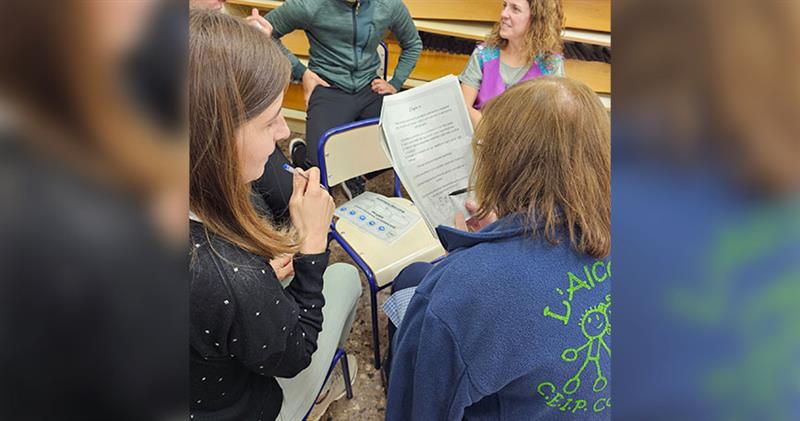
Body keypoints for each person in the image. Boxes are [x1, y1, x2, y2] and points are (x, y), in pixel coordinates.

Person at [385, 77, 611, 420]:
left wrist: (469, 261)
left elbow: (418, 411)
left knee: (414, 283)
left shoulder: (462, 287)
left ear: (501, 164)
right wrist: (508, 226)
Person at [189, 11, 362, 421]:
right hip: (238, 407)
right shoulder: (231, 275)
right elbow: (294, 353)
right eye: (270, 122)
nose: (284, 132)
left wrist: (257, 284)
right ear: (215, 136)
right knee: (346, 279)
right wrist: (313, 248)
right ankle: (321, 392)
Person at [265, 0, 422, 199]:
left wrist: (396, 82)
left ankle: (353, 175)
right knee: (319, 169)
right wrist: (301, 72)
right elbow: (264, 32)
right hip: (328, 86)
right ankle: (301, 153)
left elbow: (412, 44)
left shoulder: (389, 5)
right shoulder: (308, 5)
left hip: (369, 87)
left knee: (398, 148)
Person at [460, 0, 565, 127]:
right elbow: (463, 106)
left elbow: (550, 123)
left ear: (537, 19)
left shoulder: (551, 66)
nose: (503, 14)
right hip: (480, 139)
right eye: (505, 6)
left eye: (515, 9)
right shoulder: (483, 55)